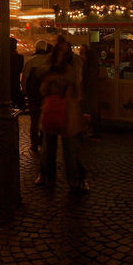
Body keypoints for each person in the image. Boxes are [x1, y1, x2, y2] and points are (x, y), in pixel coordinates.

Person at [36, 39, 88, 194]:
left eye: (65, 51)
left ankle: (77, 179)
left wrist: (54, 77)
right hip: (52, 109)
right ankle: (47, 176)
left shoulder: (74, 64)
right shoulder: (50, 64)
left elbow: (75, 79)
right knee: (48, 147)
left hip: (69, 111)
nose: (62, 54)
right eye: (60, 51)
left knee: (71, 150)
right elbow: (42, 82)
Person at [22, 40, 51, 154]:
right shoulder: (49, 61)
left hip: (33, 96)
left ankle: (34, 144)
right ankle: (44, 142)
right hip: (46, 96)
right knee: (45, 119)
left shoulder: (30, 61)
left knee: (34, 121)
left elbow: (25, 79)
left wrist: (25, 92)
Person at [0, 37, 24, 110]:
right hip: (15, 87)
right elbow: (19, 70)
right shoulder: (20, 58)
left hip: (4, 87)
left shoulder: (1, 58)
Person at [80, 44, 101, 139]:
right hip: (92, 92)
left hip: (90, 92)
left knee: (93, 112)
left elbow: (88, 80)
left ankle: (94, 132)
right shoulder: (93, 65)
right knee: (93, 112)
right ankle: (93, 131)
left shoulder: (89, 67)